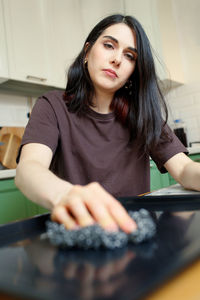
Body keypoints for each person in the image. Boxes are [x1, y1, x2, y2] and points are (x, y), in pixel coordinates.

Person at [15, 14, 200, 233]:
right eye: (109, 45)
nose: (117, 59)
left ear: (133, 71)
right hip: (80, 233)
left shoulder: (143, 114)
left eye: (130, 56)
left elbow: (184, 168)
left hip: (136, 231)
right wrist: (64, 194)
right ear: (87, 51)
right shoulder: (52, 106)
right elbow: (28, 168)